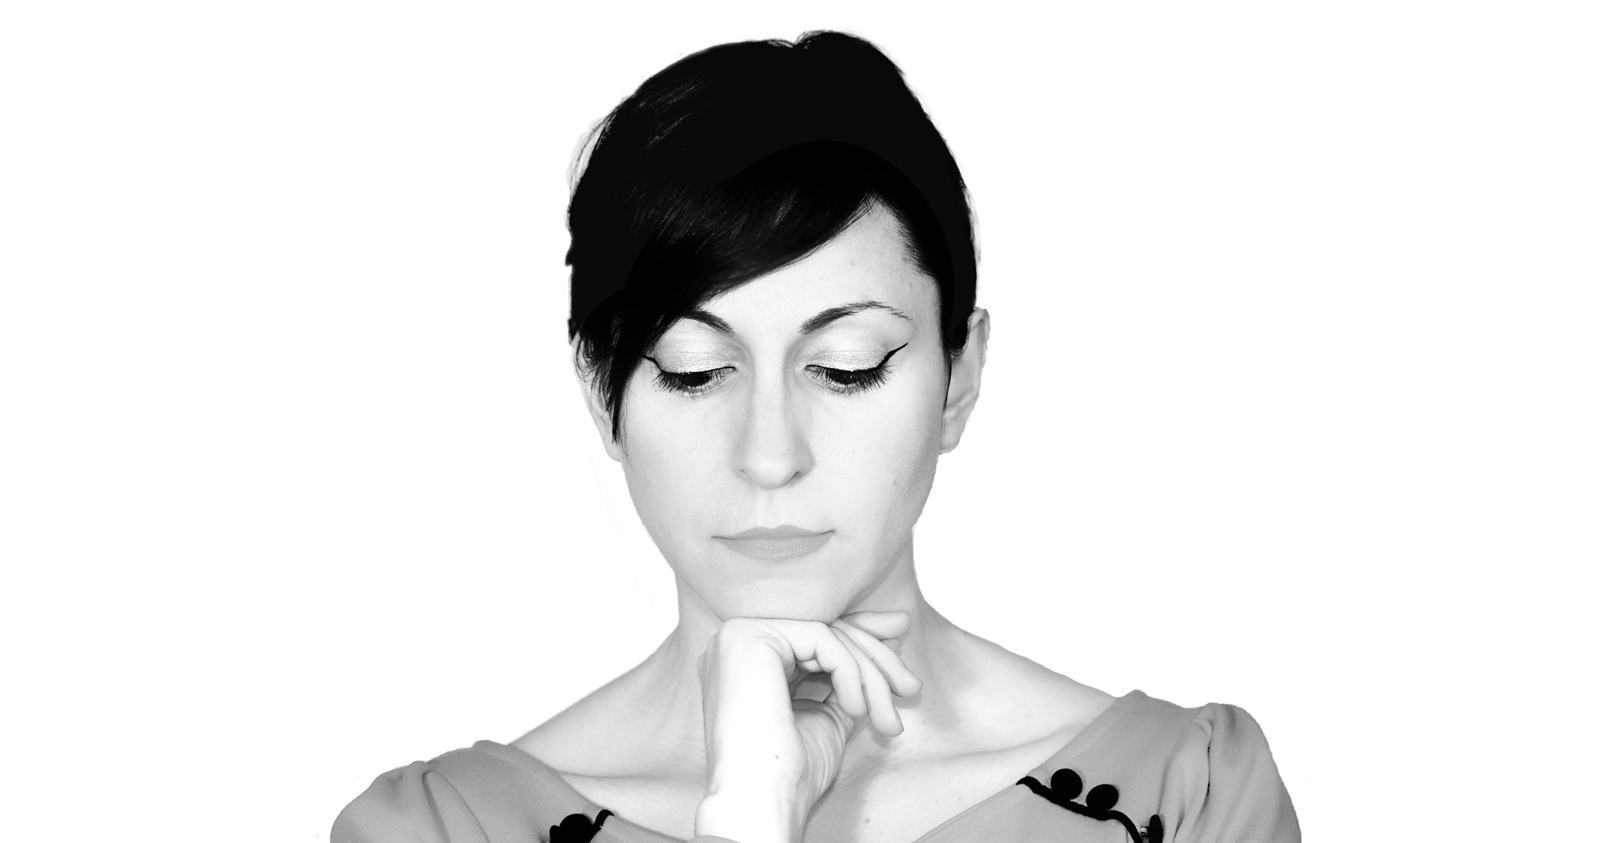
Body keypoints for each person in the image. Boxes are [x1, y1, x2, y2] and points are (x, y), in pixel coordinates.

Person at [331, 31, 1300, 843]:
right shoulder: (441, 831)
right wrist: (750, 813)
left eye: (846, 366)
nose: (770, 455)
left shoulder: (1190, 798)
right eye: (695, 372)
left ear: (960, 376)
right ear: (602, 392)